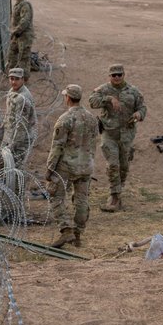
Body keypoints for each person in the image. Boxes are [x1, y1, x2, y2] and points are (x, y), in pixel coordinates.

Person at [46, 84, 99, 248]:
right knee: (82, 200)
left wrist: (50, 168)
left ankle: (66, 229)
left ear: (67, 98)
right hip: (86, 165)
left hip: (67, 165)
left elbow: (57, 146)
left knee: (56, 196)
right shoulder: (92, 118)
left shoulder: (65, 119)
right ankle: (78, 234)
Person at [87, 64, 146, 212]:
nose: (117, 77)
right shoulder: (103, 90)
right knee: (113, 164)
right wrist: (108, 99)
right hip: (109, 133)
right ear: (109, 76)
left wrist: (139, 114)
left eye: (119, 74)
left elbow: (142, 107)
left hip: (127, 134)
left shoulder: (133, 91)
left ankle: (119, 189)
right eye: (114, 75)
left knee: (124, 166)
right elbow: (92, 101)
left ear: (124, 75)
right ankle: (114, 195)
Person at [0, 67, 36, 173]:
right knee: (3, 165)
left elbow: (21, 125)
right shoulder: (12, 92)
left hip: (20, 139)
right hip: (10, 134)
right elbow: (8, 115)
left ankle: (17, 189)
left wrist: (13, 144)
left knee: (16, 169)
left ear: (23, 79)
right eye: (11, 79)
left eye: (17, 79)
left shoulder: (22, 98)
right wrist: (1, 132)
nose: (13, 82)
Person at [7, 0, 34, 78]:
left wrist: (15, 31)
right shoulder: (18, 4)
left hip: (24, 35)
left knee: (24, 58)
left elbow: (25, 21)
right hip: (17, 35)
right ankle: (13, 76)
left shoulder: (25, 4)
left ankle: (24, 79)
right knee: (12, 55)